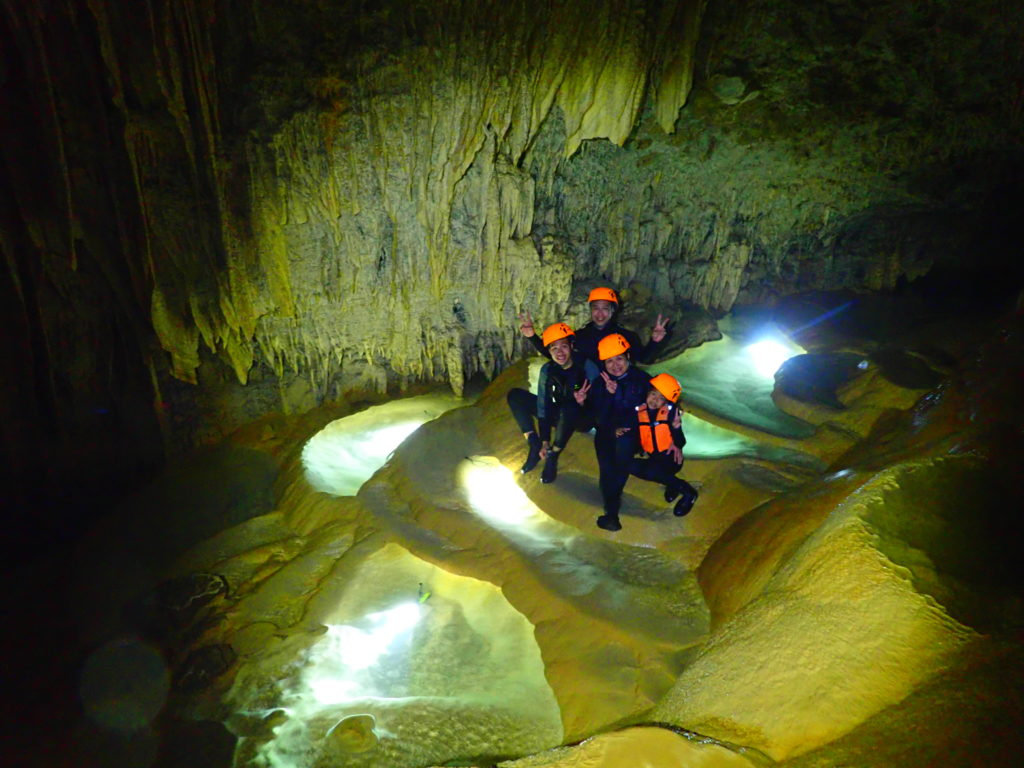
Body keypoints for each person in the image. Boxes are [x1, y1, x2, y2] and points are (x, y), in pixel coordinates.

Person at [574, 333, 652, 531]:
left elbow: (653, 408)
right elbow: (596, 415)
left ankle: (611, 511)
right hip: (608, 431)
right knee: (607, 467)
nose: (615, 365)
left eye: (619, 358)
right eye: (609, 361)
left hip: (634, 433)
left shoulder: (643, 380)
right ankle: (611, 513)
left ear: (627, 357)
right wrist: (604, 397)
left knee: (623, 448)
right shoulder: (600, 383)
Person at [507, 322, 599, 483]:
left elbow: (601, 401)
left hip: (583, 418)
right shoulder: (548, 370)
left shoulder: (587, 366)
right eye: (554, 348)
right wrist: (544, 441)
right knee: (515, 396)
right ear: (548, 351)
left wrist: (584, 402)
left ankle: (553, 455)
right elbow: (544, 404)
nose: (559, 352)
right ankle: (534, 444)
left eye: (563, 347)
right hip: (562, 412)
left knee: (570, 407)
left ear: (571, 346)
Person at [519, 286, 670, 367]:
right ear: (590, 310)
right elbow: (557, 355)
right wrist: (532, 336)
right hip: (586, 394)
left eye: (605, 308)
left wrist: (655, 342)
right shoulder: (579, 337)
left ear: (612, 310)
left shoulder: (627, 337)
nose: (600, 314)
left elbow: (645, 359)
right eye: (596, 308)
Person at [626, 373, 699, 518]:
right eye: (653, 394)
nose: (655, 400)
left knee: (653, 472)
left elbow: (680, 442)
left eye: (661, 399)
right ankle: (671, 483)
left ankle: (688, 492)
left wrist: (676, 428)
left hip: (670, 459)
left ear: (666, 403)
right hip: (654, 458)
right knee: (626, 464)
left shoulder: (670, 415)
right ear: (648, 393)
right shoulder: (640, 411)